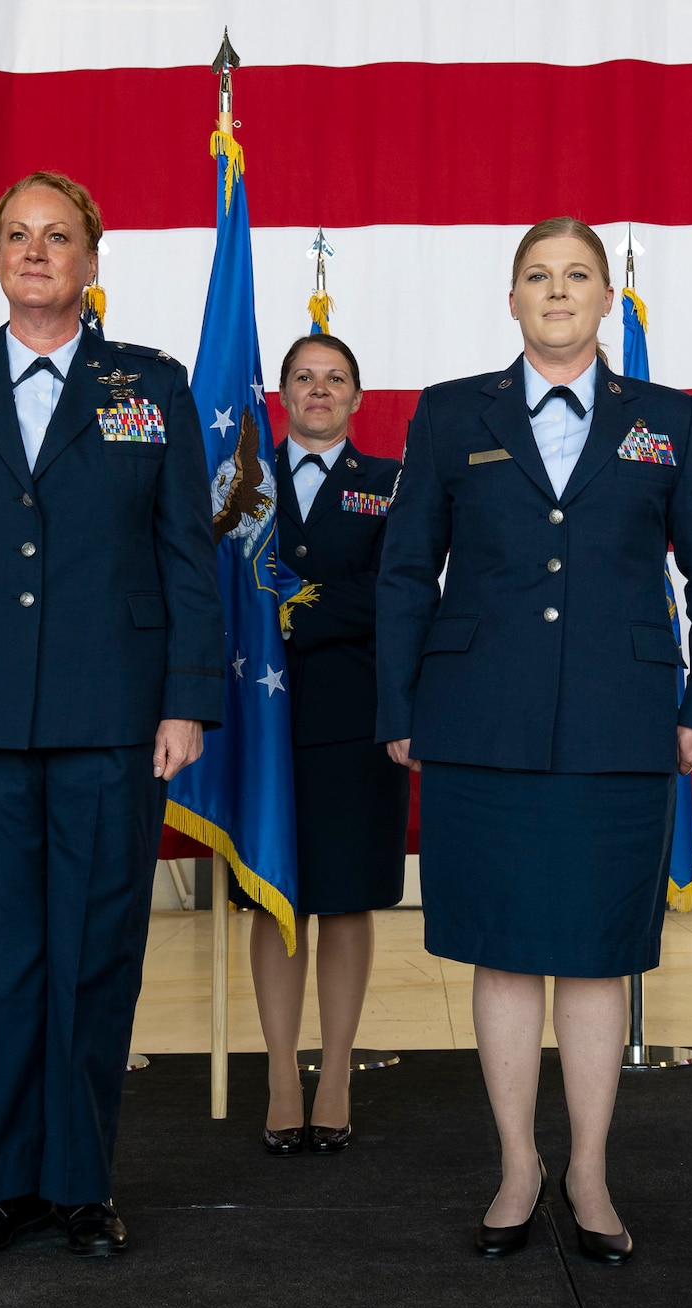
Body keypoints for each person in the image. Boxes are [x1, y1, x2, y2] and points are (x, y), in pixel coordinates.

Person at [377, 217, 692, 1264]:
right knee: (500, 951)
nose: (556, 290)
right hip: (479, 725)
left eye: (575, 274)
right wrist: (399, 710)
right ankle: (516, 1164)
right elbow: (406, 569)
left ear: (601, 300)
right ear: (511, 300)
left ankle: (586, 1167)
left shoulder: (668, 419)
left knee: (593, 958)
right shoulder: (451, 416)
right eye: (536, 276)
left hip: (617, 727)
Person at [0, 170, 223, 1259]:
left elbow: (184, 554)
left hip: (110, 712)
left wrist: (187, 699)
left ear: (90, 258)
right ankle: (0, 1185)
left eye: (57, 236)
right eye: (17, 235)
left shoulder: (148, 385)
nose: (35, 251)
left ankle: (79, 1183)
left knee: (89, 954)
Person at [244, 333, 407, 1155]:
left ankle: (336, 1072)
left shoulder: (390, 487)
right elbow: (216, 583)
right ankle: (280, 1074)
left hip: (355, 726)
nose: (319, 389)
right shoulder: (240, 484)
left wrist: (285, 612)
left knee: (344, 901)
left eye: (335, 377)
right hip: (263, 727)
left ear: (357, 397)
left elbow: (395, 594)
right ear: (280, 392)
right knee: (275, 905)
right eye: (303, 377)